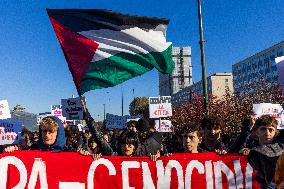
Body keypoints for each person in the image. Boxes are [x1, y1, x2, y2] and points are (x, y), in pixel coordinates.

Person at [248, 115, 284, 189]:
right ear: (256, 132)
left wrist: (252, 151)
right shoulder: (251, 149)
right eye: (263, 129)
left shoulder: (282, 147)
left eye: (271, 130)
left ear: (276, 133)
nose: (267, 133)